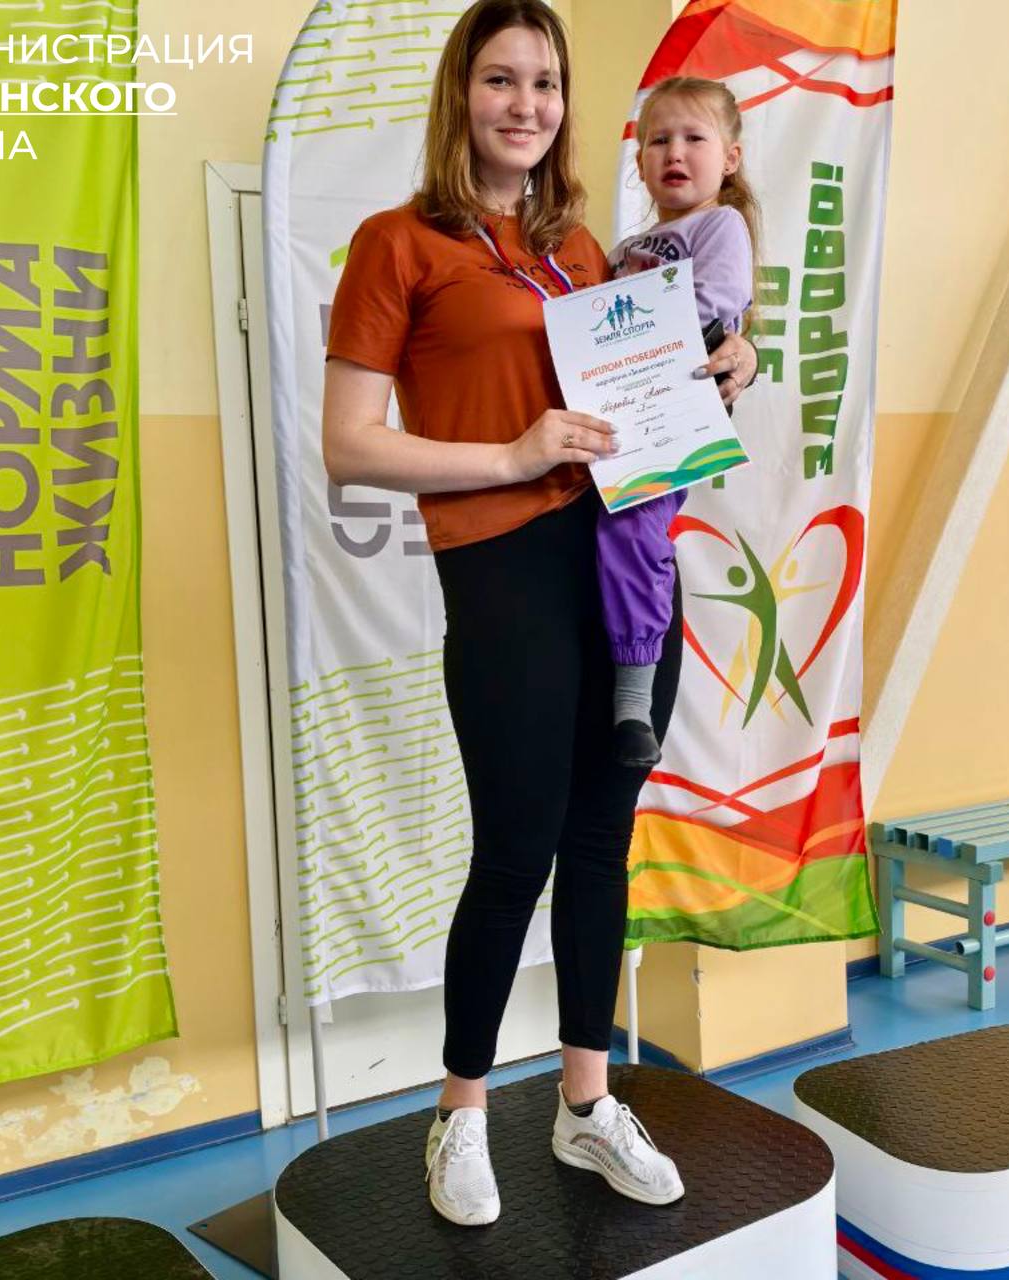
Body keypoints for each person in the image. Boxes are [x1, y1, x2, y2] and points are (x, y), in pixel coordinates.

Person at [321, 0, 758, 1229]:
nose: (526, 104)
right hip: (502, 566)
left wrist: (734, 362)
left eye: (546, 83)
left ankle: (584, 1100)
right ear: (461, 93)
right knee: (515, 848)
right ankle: (459, 1111)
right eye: (501, 79)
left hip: (622, 569)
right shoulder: (396, 243)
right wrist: (512, 454)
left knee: (600, 844)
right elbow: (348, 445)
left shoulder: (583, 248)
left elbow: (662, 375)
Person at [601, 75, 761, 768]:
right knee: (601, 536)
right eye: (658, 140)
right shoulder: (626, 248)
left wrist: (619, 331)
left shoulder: (719, 226)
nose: (675, 152)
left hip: (669, 417)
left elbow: (716, 298)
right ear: (639, 163)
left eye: (695, 138)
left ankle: (633, 699)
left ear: (729, 157)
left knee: (635, 532)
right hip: (616, 410)